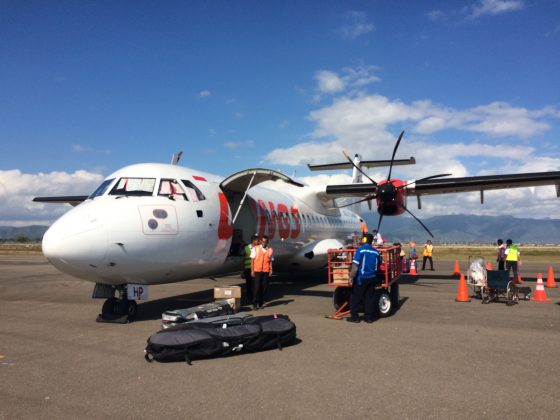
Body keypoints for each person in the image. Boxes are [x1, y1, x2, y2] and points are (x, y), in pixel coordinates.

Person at [347, 233, 382, 324]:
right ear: (371, 241)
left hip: (361, 278)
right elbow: (379, 264)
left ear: (363, 240)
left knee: (355, 297)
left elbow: (355, 265)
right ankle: (369, 317)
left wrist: (351, 277)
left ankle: (355, 317)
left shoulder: (360, 250)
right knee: (369, 298)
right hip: (372, 278)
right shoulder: (376, 252)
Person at [250, 235, 273, 310]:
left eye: (265, 242)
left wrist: (271, 269)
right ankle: (254, 303)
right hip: (257, 271)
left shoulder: (270, 250)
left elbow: (270, 261)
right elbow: (252, 260)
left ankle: (261, 303)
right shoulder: (255, 248)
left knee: (264, 288)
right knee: (256, 288)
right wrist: (252, 270)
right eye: (263, 241)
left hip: (265, 271)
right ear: (260, 241)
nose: (264, 243)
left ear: (267, 242)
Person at [242, 235, 259, 303]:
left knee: (256, 285)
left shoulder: (258, 248)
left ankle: (255, 298)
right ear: (253, 241)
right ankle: (250, 299)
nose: (258, 242)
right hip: (248, 269)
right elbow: (241, 254)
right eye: (257, 240)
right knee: (249, 285)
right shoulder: (246, 248)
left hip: (256, 269)